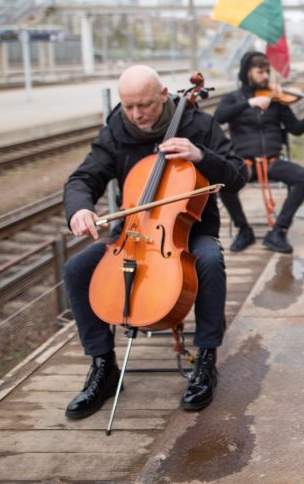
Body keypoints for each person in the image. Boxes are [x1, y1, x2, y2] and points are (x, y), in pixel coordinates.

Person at [62, 65, 246, 419]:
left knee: (209, 261)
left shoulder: (199, 125)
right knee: (76, 269)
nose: (135, 115)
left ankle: (206, 359)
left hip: (190, 232)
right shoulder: (117, 129)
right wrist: (79, 209)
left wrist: (202, 156)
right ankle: (103, 365)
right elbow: (84, 177)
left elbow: (239, 175)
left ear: (164, 95)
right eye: (128, 106)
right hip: (130, 234)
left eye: (144, 105)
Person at [214, 51, 304, 253]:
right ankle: (243, 230)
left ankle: (278, 231)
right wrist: (249, 103)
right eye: (261, 72)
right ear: (247, 72)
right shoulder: (233, 99)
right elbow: (219, 117)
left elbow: (295, 128)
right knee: (223, 180)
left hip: (272, 162)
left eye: (267, 71)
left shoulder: (276, 100)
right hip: (245, 163)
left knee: (303, 177)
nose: (266, 76)